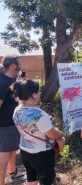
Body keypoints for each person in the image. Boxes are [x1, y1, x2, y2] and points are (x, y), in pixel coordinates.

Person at [13, 80, 65, 185]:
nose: (40, 93)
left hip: (25, 151)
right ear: (33, 95)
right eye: (39, 91)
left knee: (32, 179)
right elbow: (52, 134)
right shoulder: (38, 114)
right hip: (42, 154)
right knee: (47, 181)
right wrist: (61, 134)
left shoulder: (17, 110)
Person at [0, 56, 25, 185]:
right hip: (4, 126)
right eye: (18, 63)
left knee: (12, 150)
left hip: (13, 123)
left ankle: (12, 175)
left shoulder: (12, 79)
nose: (20, 65)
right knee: (4, 155)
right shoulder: (2, 82)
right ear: (12, 66)